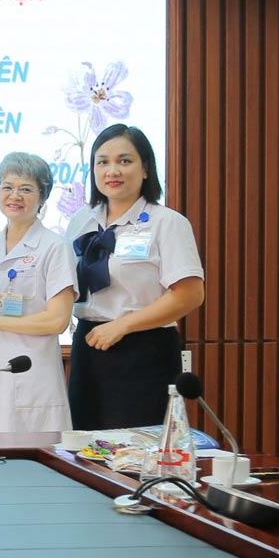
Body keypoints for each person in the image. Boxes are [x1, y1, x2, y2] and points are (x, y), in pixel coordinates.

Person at [66, 124, 205, 429]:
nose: (112, 170)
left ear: (145, 169)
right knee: (84, 450)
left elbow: (190, 294)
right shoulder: (80, 220)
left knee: (136, 456)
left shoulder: (166, 222)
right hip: (88, 347)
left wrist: (123, 325)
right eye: (102, 162)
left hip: (144, 350)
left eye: (124, 161)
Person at [0, 152, 77, 432]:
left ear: (42, 197)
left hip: (33, 380)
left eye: (26, 189)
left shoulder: (54, 247)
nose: (15, 196)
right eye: (7, 187)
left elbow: (56, 321)